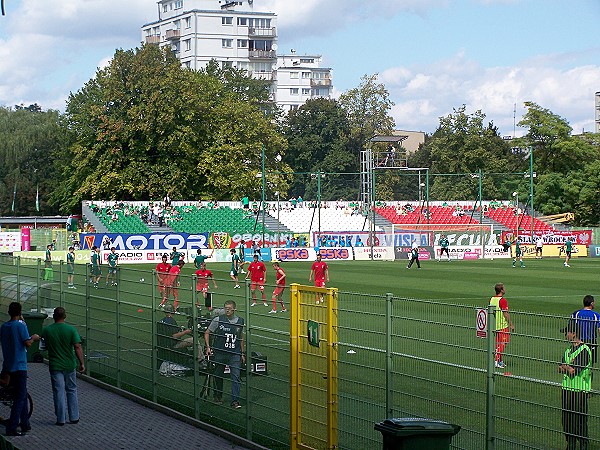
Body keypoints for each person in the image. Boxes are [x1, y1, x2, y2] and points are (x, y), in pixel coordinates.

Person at [0, 302, 40, 436]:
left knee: (21, 394)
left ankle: (25, 423)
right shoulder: (20, 326)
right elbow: (27, 343)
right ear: (20, 312)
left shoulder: (4, 326)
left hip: (8, 365)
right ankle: (12, 426)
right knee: (19, 397)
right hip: (20, 365)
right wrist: (33, 338)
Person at [41, 307, 85, 426]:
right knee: (71, 390)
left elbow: (43, 346)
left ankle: (60, 418)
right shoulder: (71, 330)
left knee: (58, 391)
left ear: (54, 316)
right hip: (69, 365)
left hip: (55, 365)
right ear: (65, 316)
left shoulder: (47, 330)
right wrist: (82, 363)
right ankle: (74, 417)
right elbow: (77, 346)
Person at [204, 300, 245, 409]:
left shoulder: (240, 321)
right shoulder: (218, 320)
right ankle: (217, 396)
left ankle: (235, 400)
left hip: (234, 353)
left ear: (234, 309)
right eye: (225, 307)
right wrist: (208, 347)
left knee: (236, 377)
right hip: (220, 352)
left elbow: (241, 337)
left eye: (229, 308)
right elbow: (207, 332)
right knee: (218, 375)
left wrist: (242, 353)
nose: (227, 310)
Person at [558, 321, 592, 450]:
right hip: (567, 389)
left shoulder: (584, 350)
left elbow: (573, 370)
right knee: (566, 419)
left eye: (567, 333)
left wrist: (565, 367)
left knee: (579, 421)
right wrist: (566, 367)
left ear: (574, 334)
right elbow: (560, 368)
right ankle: (570, 444)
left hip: (579, 390)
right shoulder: (568, 350)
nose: (565, 335)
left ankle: (583, 445)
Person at [490, 283, 514, 369]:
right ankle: (496, 361)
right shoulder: (502, 300)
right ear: (501, 290)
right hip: (502, 325)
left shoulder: (492, 299)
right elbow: (505, 314)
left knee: (498, 344)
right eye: (504, 288)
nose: (505, 289)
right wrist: (511, 324)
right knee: (504, 343)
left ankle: (499, 361)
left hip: (494, 325)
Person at [570, 295, 600, 364]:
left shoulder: (576, 314)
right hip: (591, 342)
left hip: (579, 342)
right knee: (590, 363)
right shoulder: (596, 315)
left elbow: (571, 328)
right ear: (592, 303)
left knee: (576, 362)